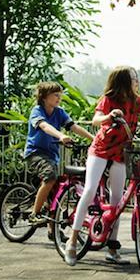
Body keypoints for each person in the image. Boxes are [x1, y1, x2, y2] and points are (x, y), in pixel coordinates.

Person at [64, 66, 140, 266]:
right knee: (90, 189)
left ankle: (112, 248)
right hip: (101, 150)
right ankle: (72, 240)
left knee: (117, 200)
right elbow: (96, 120)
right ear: (122, 81)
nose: (137, 81)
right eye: (133, 78)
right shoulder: (108, 99)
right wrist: (109, 116)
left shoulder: (137, 101)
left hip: (122, 153)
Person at [23, 82, 94, 230]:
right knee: (50, 177)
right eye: (55, 95)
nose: (59, 97)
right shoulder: (37, 111)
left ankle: (52, 230)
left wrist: (93, 139)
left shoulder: (59, 112)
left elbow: (74, 127)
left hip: (52, 155)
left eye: (60, 94)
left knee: (55, 192)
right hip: (36, 153)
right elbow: (44, 126)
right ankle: (34, 214)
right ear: (44, 97)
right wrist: (61, 135)